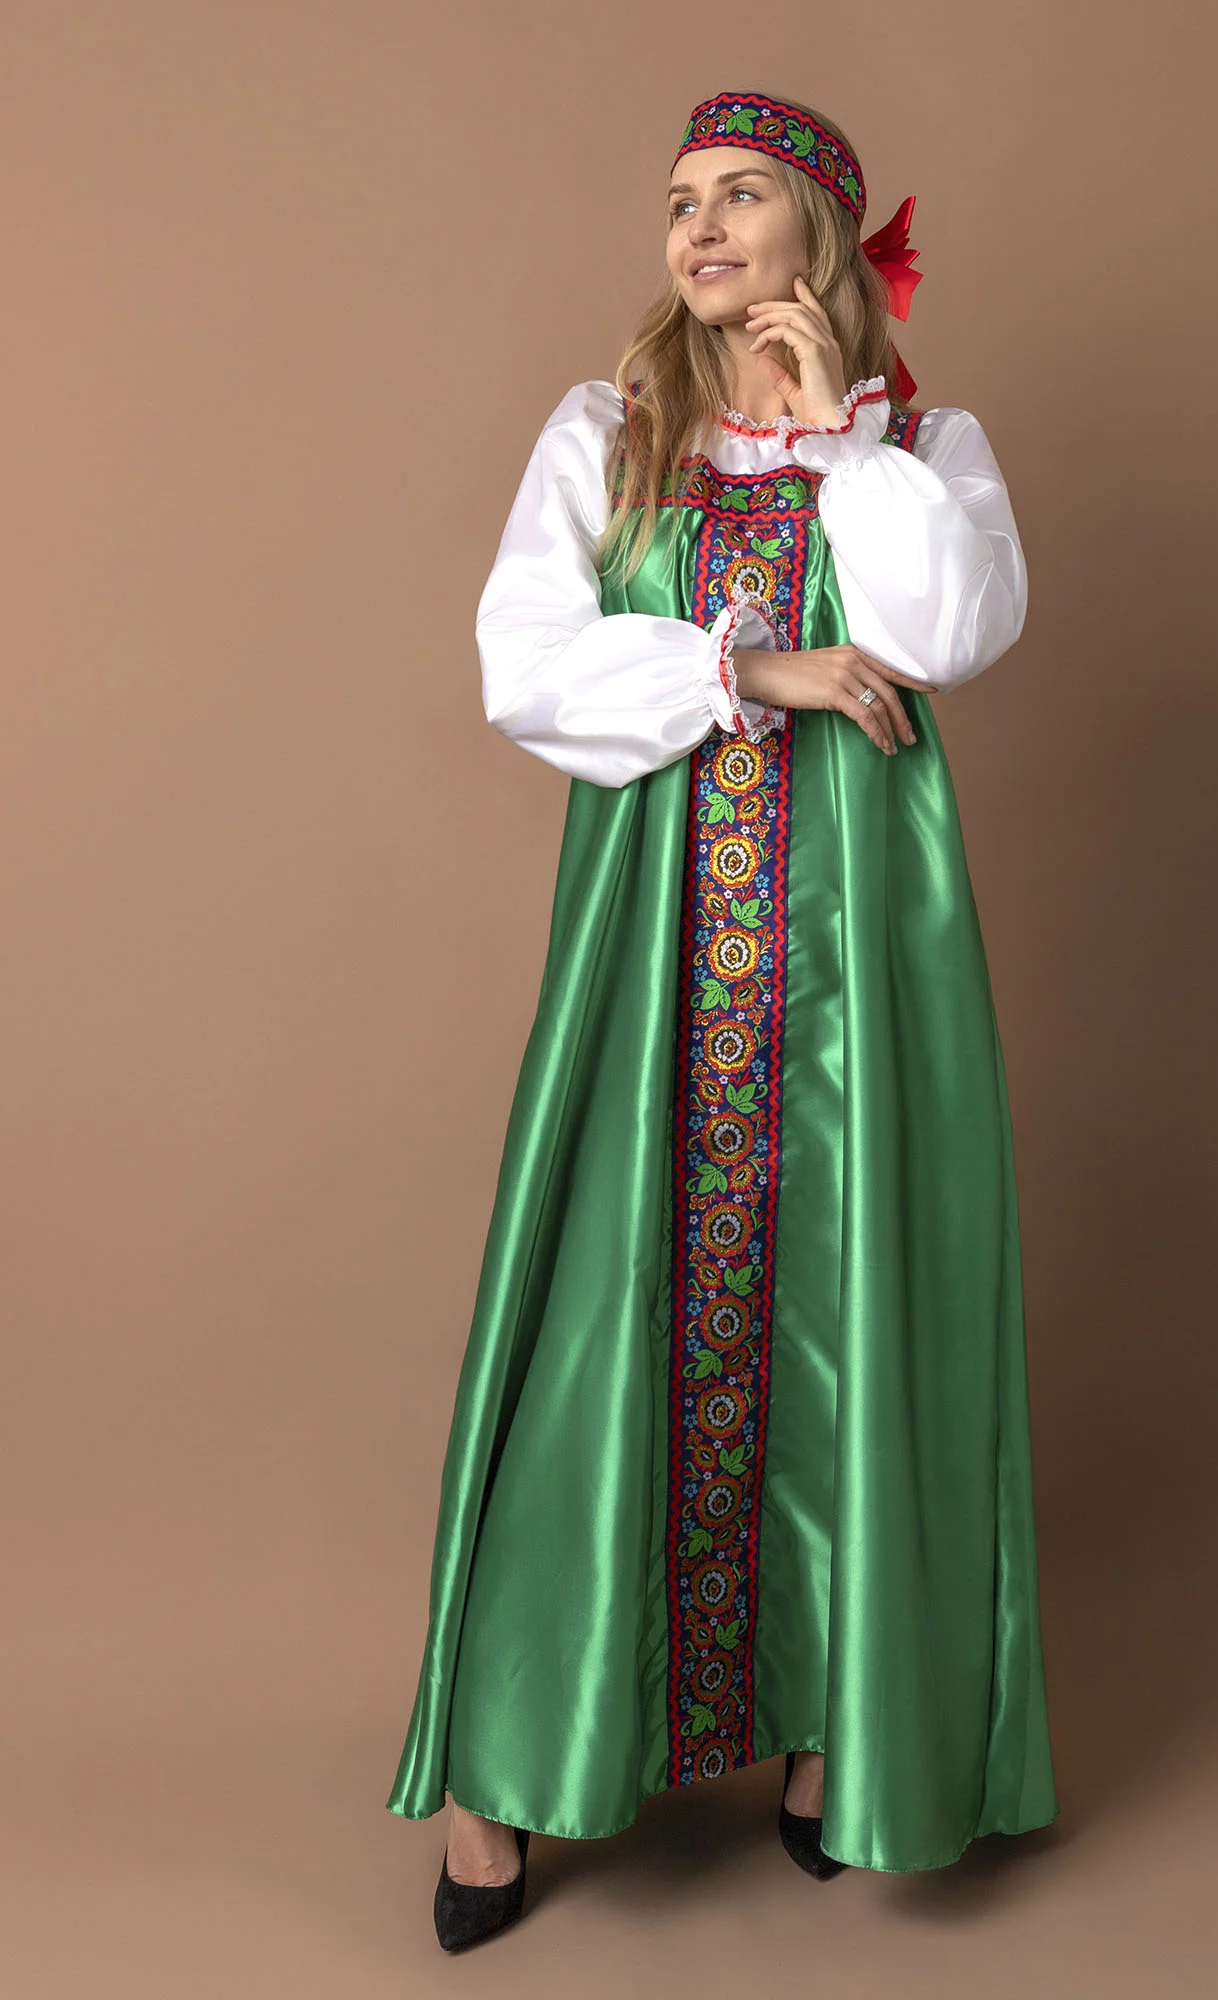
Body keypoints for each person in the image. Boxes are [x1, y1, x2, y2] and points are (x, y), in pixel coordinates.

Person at [386, 88, 1060, 1953]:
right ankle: (506, 1768)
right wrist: (753, 666)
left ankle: (841, 1728)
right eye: (679, 199)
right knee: (604, 1309)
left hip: (864, 960)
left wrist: (841, 436)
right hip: (654, 937)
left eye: (740, 193)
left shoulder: (925, 445)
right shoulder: (611, 432)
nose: (696, 227)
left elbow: (944, 634)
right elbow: (523, 667)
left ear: (821, 232)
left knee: (850, 1301)